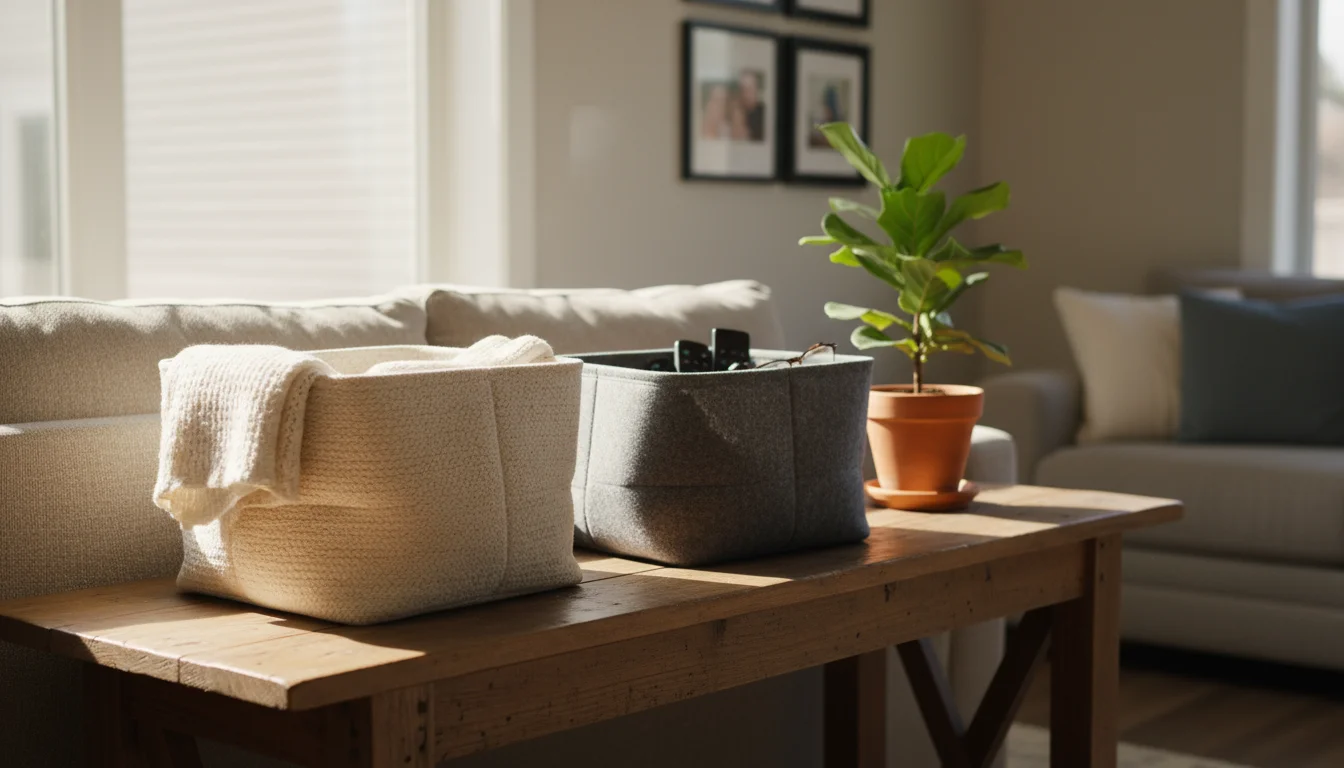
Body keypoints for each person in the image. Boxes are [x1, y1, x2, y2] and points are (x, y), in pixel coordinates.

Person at [736, 70, 765, 142]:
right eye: (743, 89)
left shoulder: (764, 114)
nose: (746, 93)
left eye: (750, 88)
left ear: (757, 89)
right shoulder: (736, 112)